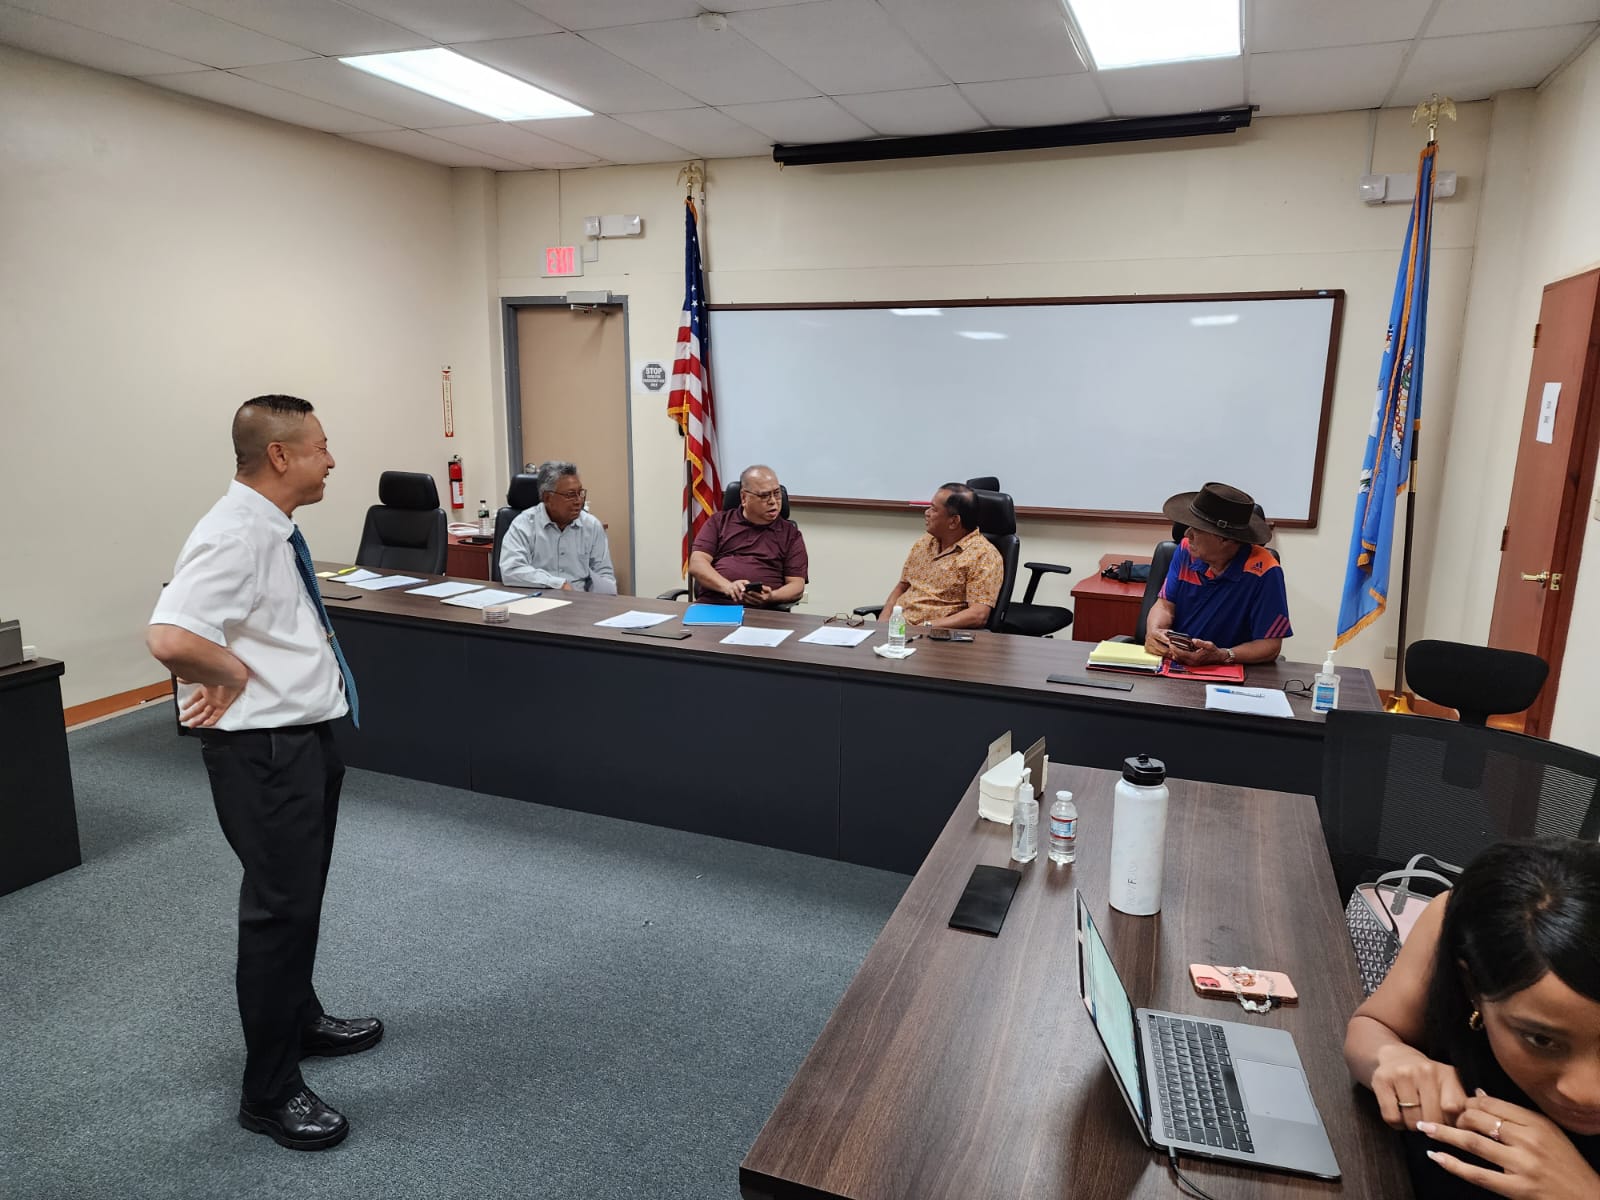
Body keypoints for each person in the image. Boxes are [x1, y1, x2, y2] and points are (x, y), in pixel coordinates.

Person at [146, 395, 380, 1151]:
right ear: (280, 456)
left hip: (302, 740)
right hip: (266, 753)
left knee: (301, 899)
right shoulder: (233, 532)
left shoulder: (271, 528)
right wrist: (233, 671)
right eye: (320, 447)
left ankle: (301, 1021)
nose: (331, 459)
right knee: (279, 913)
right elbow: (171, 635)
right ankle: (269, 1092)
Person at [1344, 838, 1600, 1198]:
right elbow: (1374, 1026)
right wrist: (1392, 1058)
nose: (1587, 1094)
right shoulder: (1474, 928)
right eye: (1541, 1040)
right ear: (1472, 986)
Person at [1144, 481, 1291, 667]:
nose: (1187, 534)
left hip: (1228, 670)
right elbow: (1164, 606)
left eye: (1196, 529)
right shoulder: (1185, 552)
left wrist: (1222, 655)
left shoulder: (1265, 571)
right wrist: (1154, 632)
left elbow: (1270, 645)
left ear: (1225, 539)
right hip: (1175, 663)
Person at [876, 483, 1004, 629]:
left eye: (934, 509)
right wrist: (884, 619)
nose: (927, 513)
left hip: (933, 637)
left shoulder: (983, 555)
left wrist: (926, 627)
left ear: (953, 521)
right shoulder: (926, 541)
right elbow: (902, 586)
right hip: (898, 630)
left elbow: (978, 615)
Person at [688, 464, 808, 607]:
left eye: (776, 493)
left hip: (764, 612)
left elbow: (797, 585)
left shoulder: (790, 534)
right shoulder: (719, 522)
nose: (773, 501)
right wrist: (728, 587)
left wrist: (772, 596)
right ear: (744, 497)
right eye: (764, 495)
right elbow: (697, 563)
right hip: (714, 605)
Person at [499, 460, 618, 593]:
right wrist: (557, 584)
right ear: (548, 498)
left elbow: (604, 574)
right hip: (538, 601)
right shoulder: (524, 524)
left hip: (580, 602)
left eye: (580, 493)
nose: (579, 501)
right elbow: (511, 570)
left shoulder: (591, 525)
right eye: (570, 495)